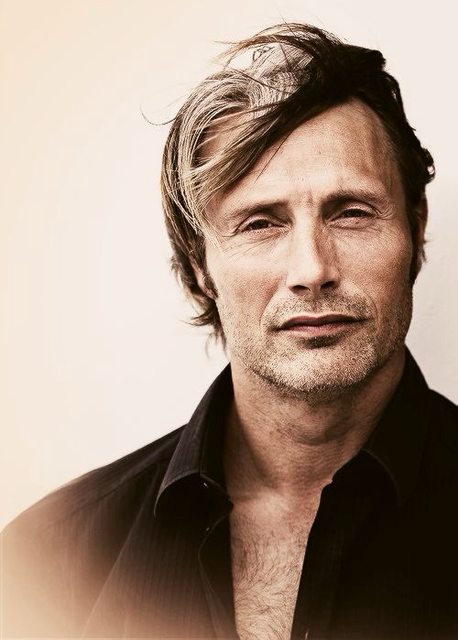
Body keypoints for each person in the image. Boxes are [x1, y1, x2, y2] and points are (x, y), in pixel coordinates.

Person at [2, 21, 458, 640]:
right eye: (261, 223)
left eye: (351, 213)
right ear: (200, 265)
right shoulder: (45, 562)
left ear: (415, 229)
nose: (312, 270)